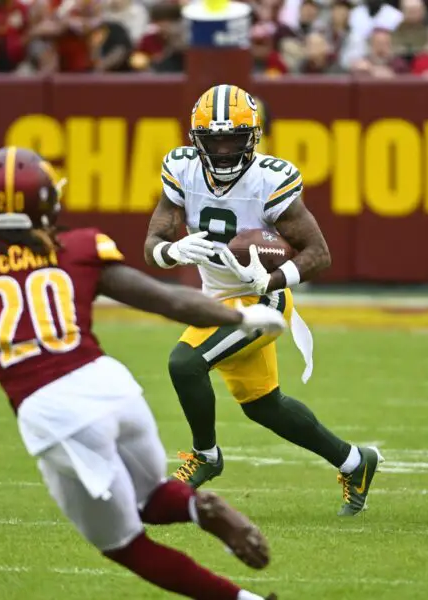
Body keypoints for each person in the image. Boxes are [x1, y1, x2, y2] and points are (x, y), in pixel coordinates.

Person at [0, 146, 286, 600]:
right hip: (111, 386)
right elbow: (166, 299)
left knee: (124, 544)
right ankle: (199, 508)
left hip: (51, 410)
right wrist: (244, 319)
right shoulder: (76, 247)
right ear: (49, 204)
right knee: (151, 495)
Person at [143, 84, 383, 517]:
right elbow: (154, 239)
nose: (221, 149)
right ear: (195, 139)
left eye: (232, 138)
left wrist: (270, 277)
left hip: (261, 300)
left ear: (253, 136)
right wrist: (171, 252)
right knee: (264, 407)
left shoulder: (270, 179)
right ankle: (354, 461)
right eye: (212, 139)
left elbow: (319, 254)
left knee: (185, 362)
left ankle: (207, 456)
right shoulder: (181, 169)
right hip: (215, 298)